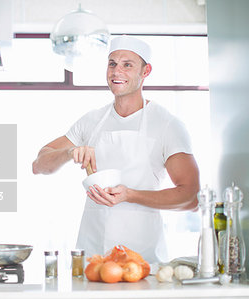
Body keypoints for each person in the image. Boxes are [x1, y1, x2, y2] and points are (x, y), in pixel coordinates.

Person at [32, 35, 200, 263]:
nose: (116, 72)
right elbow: (39, 165)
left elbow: (190, 197)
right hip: (93, 257)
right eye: (112, 64)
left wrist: (130, 195)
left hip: (143, 260)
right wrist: (69, 152)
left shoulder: (167, 124)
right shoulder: (91, 121)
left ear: (146, 71)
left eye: (127, 65)